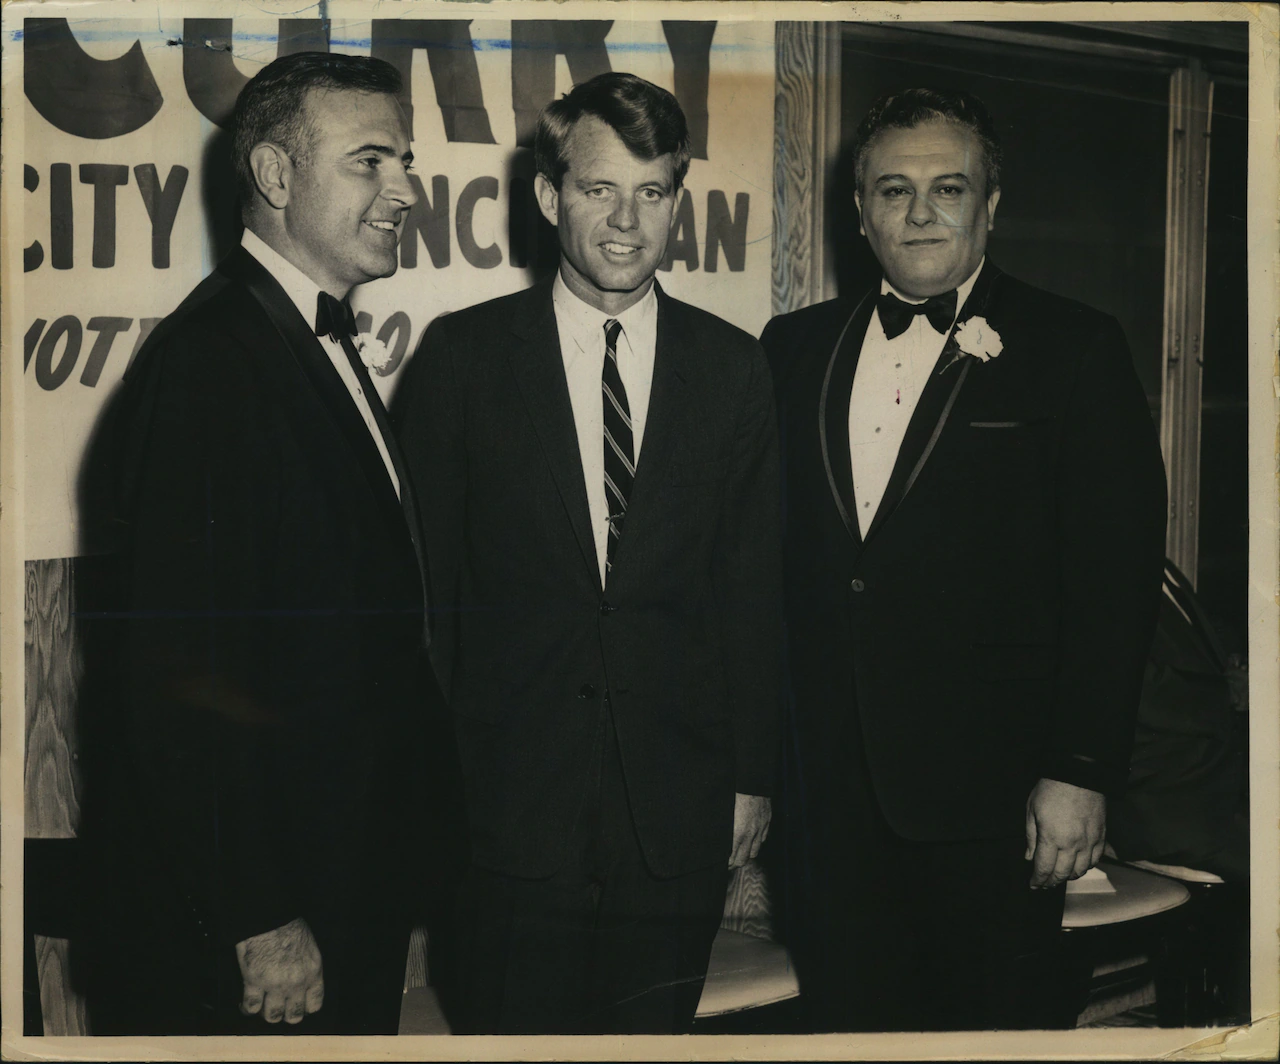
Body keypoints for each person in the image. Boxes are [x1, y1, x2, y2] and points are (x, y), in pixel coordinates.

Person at [760, 87, 1168, 1032]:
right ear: (857, 211)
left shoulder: (1075, 347)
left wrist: (1081, 771)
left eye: (950, 188)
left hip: (1001, 807)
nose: (920, 212)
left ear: (992, 205)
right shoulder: (791, 349)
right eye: (893, 190)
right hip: (826, 803)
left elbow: (1113, 582)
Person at [394, 71, 782, 1035]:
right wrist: (439, 789)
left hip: (677, 817)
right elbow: (424, 595)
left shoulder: (733, 369)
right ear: (547, 196)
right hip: (505, 816)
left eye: (652, 193)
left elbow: (756, 589)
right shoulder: (463, 359)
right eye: (600, 189)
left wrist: (750, 776)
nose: (626, 221)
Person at [76, 52, 446, 1035]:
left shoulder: (288, 338)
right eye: (371, 161)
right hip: (259, 934)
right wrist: (260, 917)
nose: (406, 189)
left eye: (403, 160)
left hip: (334, 886)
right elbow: (176, 677)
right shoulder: (213, 367)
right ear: (275, 178)